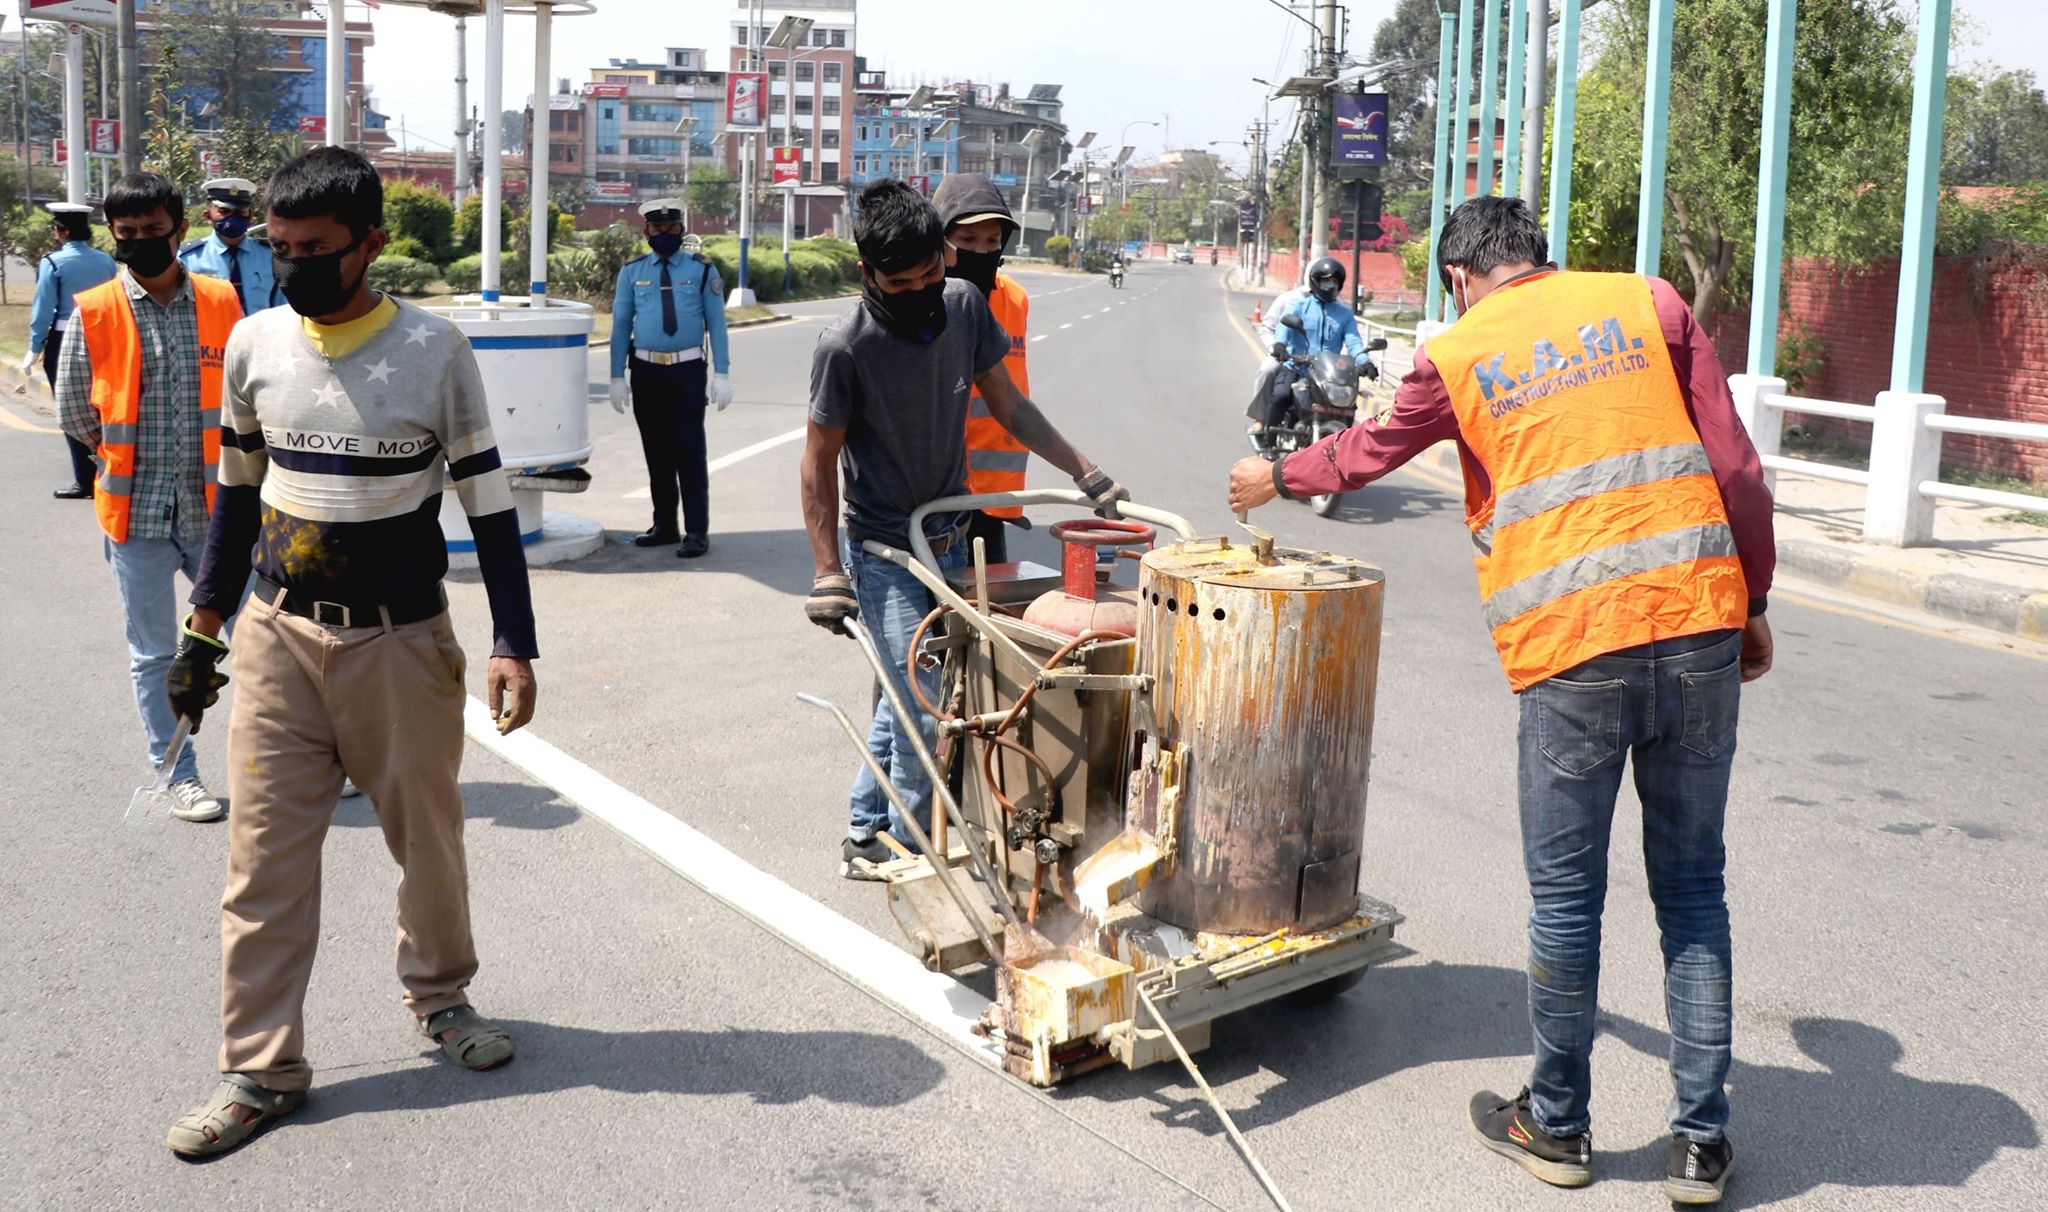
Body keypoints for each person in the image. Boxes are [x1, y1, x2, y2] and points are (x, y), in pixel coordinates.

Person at [1227, 195, 1775, 1206]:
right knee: (1692, 891)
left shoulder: (1461, 348)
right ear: (1545, 257)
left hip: (1572, 648)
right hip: (1696, 621)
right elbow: (1733, 468)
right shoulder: (1648, 302)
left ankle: (1556, 1127)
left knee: (1568, 902)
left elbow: (1371, 451)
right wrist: (1751, 600)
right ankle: (1699, 1144)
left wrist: (1273, 475)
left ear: (1454, 276)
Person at [161, 146, 539, 1157]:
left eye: (313, 250)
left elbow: (490, 508)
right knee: (261, 861)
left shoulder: (434, 352)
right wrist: (203, 628)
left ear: (370, 244)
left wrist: (513, 640)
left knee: (429, 843)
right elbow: (236, 499)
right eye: (278, 249)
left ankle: (441, 1000)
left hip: (400, 641)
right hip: (278, 635)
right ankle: (260, 1067)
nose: (291, 266)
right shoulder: (254, 346)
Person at [801, 178, 1129, 879]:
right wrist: (829, 569)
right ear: (868, 275)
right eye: (902, 281)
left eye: (931, 272)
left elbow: (1011, 406)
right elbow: (817, 466)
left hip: (951, 533)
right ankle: (916, 854)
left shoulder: (964, 306)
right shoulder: (844, 348)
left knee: (915, 686)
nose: (922, 290)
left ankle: (865, 828)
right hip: (887, 544)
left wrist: (1085, 470)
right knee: (923, 698)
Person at [57, 173, 243, 824]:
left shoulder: (222, 302)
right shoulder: (96, 308)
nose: (139, 242)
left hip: (214, 515)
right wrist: (122, 457)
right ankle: (177, 775)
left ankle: (309, 761)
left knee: (267, 639)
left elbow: (244, 403)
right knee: (155, 655)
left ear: (179, 228)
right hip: (133, 516)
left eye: (152, 230)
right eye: (126, 233)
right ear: (113, 233)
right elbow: (76, 411)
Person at [609, 197, 732, 558]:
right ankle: (664, 525)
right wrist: (617, 375)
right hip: (646, 371)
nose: (665, 233)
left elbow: (717, 324)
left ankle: (696, 531)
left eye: (672, 228)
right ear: (645, 232)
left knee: (689, 452)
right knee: (657, 452)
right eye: (658, 228)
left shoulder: (702, 270)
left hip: (687, 370)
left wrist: (722, 372)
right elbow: (619, 326)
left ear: (682, 230)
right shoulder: (632, 271)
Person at [932, 172, 1032, 565]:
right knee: (937, 615)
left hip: (993, 497)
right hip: (935, 492)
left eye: (992, 241)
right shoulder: (924, 302)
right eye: (968, 240)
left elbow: (1012, 397)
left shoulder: (1016, 300)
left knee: (989, 611)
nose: (982, 250)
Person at [26, 201, 118, 499]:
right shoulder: (105, 261)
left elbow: (43, 311)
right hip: (103, 337)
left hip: (65, 339)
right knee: (102, 405)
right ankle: (108, 466)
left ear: (62, 231)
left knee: (71, 407)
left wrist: (34, 347)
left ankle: (84, 478)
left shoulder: (52, 263)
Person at [1247, 256, 1364, 449]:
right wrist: (1279, 346)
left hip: (1325, 373)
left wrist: (1365, 361)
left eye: (1334, 281)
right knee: (1281, 396)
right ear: (1316, 281)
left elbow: (1354, 342)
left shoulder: (1344, 314)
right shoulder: (1298, 306)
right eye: (1326, 280)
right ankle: (1269, 444)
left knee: (1346, 407)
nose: (1330, 285)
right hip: (1296, 366)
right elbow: (1284, 327)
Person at [178, 177, 281, 314]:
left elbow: (282, 309)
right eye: (224, 212)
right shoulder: (188, 260)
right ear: (207, 216)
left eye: (240, 212)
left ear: (250, 215)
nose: (233, 219)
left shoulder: (270, 257)